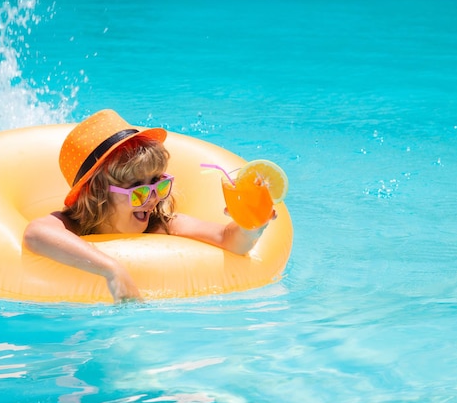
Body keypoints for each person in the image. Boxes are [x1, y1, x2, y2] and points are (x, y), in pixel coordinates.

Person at [23, 109, 274, 303]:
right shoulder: (73, 226)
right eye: (138, 189)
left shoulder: (161, 224)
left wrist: (251, 224)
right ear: (97, 195)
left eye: (158, 183)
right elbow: (35, 234)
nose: (152, 197)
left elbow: (227, 239)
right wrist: (112, 269)